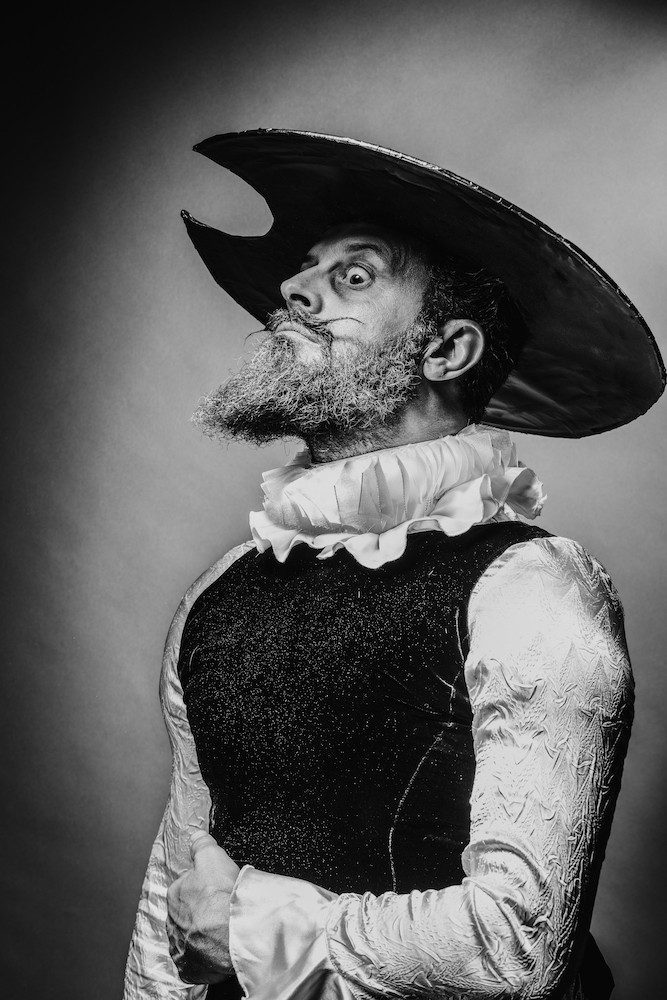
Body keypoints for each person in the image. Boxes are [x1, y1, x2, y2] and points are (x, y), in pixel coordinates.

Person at [123, 130, 665, 1000]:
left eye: (353, 277)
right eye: (305, 269)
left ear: (446, 352)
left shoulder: (533, 588)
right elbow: (177, 898)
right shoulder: (219, 592)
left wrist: (253, 930)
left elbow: (517, 950)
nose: (292, 290)